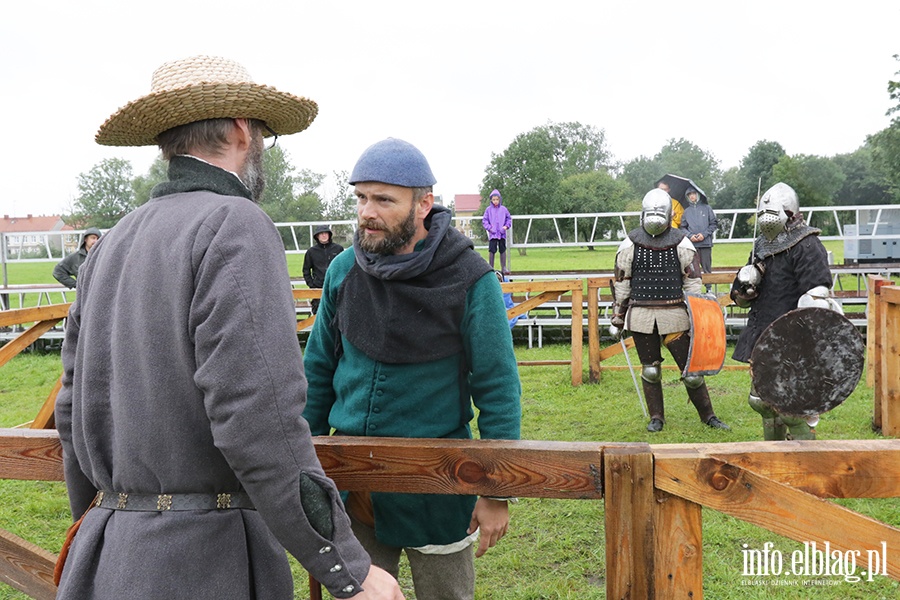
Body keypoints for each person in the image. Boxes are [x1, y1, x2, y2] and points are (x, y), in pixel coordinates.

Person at [55, 55, 403, 600]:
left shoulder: (111, 244)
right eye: (262, 133)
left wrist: (108, 521)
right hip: (203, 566)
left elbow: (71, 408)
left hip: (107, 559)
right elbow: (258, 420)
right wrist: (347, 568)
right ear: (243, 130)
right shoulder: (234, 224)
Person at [303, 138, 522, 600]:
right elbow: (318, 374)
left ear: (423, 204)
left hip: (439, 487)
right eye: (361, 197)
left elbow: (498, 387)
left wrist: (497, 490)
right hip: (353, 487)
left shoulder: (470, 277)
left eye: (384, 199)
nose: (367, 212)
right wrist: (306, 470)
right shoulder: (343, 271)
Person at [609, 188, 730, 433]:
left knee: (692, 372)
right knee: (651, 370)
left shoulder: (682, 242)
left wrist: (696, 313)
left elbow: (693, 283)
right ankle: (657, 417)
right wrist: (618, 317)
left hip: (675, 315)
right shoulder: (629, 244)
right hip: (642, 315)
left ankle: (708, 416)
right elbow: (622, 284)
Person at [731, 182, 837, 441]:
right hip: (761, 331)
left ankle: (804, 456)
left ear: (790, 212)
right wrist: (745, 287)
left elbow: (818, 291)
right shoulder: (761, 245)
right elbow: (742, 296)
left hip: (792, 335)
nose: (766, 219)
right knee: (762, 402)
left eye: (772, 212)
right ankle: (773, 454)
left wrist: (804, 325)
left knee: (792, 407)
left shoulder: (807, 244)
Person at [679, 187, 718, 291]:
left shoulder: (707, 208)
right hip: (692, 246)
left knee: (707, 268)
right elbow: (682, 227)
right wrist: (690, 235)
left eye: (694, 194)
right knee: (693, 269)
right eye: (689, 195)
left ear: (698, 195)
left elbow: (713, 224)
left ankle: (709, 289)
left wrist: (704, 234)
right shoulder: (686, 211)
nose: (692, 196)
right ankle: (695, 290)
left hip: (705, 244)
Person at [303, 224, 344, 314]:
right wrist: (312, 285)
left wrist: (341, 282)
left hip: (336, 288)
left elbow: (343, 267)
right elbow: (306, 270)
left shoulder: (338, 249)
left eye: (326, 233)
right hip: (318, 288)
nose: (324, 235)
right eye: (321, 233)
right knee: (318, 315)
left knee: (338, 314)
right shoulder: (311, 252)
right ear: (317, 236)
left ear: (329, 234)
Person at [481, 188, 512, 274]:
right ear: (491, 200)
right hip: (493, 234)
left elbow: (509, 219)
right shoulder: (488, 210)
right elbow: (484, 220)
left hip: (502, 234)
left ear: (500, 200)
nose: (495, 201)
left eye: (497, 199)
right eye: (493, 199)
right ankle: (490, 267)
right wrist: (490, 228)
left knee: (502, 250)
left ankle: (504, 267)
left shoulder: (504, 209)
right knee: (492, 250)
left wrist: (506, 226)